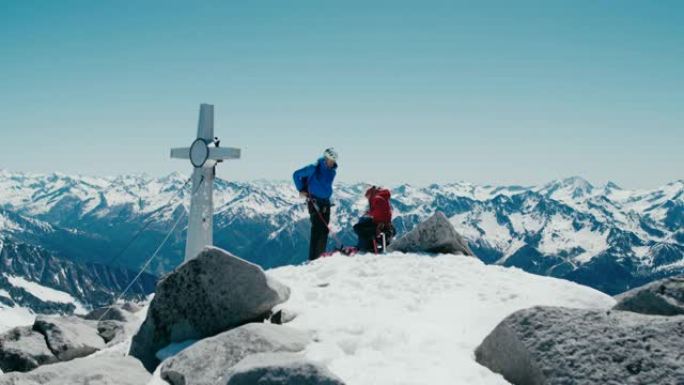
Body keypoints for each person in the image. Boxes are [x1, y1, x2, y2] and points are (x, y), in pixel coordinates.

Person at [293, 148, 338, 261]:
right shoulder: (314, 168)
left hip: (326, 202)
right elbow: (296, 174)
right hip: (314, 201)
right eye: (330, 159)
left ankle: (320, 256)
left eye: (333, 160)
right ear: (325, 158)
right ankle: (313, 259)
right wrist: (301, 189)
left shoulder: (333, 171)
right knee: (317, 229)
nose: (332, 162)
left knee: (324, 229)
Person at [353, 186, 394, 253]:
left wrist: (370, 213)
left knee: (357, 227)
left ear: (371, 194)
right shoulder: (382, 197)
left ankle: (364, 247)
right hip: (385, 223)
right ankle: (365, 246)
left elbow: (379, 213)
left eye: (368, 197)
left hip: (380, 225)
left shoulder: (377, 199)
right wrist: (370, 212)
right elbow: (381, 212)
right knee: (364, 222)